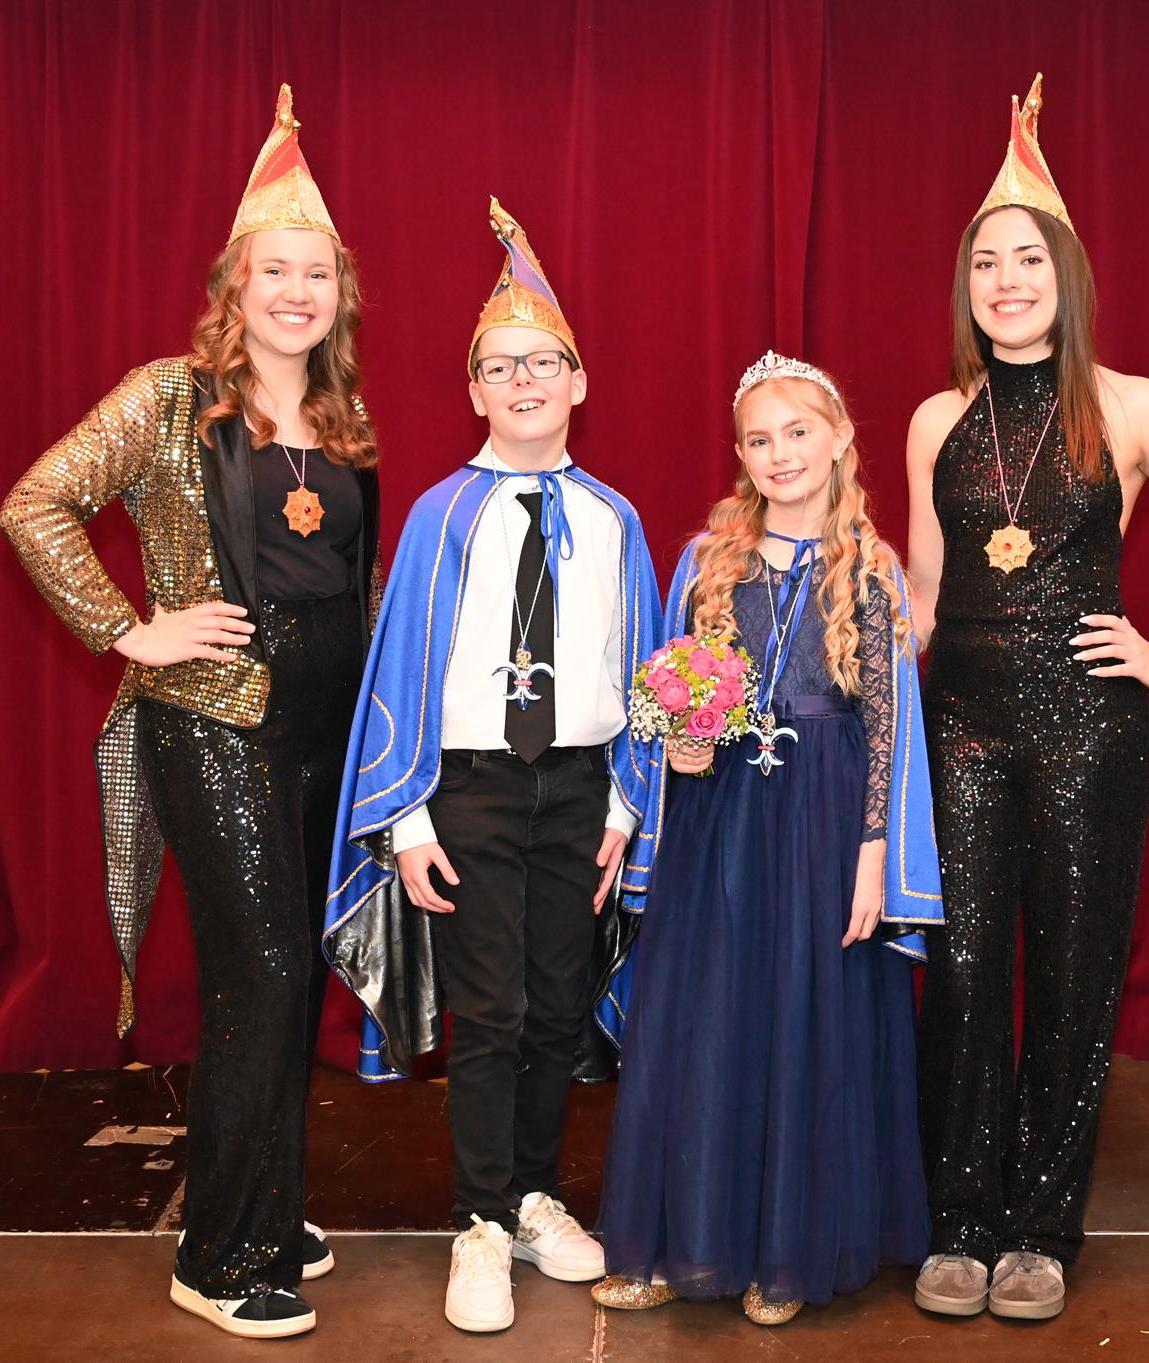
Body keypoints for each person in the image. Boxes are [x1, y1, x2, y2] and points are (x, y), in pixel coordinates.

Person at [0, 85, 380, 1340]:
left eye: (316, 274)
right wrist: (128, 627)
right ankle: (217, 1255)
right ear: (236, 283)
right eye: (275, 271)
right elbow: (35, 502)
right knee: (257, 974)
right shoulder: (170, 395)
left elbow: (353, 578)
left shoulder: (342, 419)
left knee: (291, 971)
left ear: (340, 294)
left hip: (322, 726)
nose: (296, 293)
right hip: (214, 722)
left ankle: (267, 1200)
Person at [903, 75, 1149, 1322]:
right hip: (956, 727)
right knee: (963, 972)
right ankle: (959, 1217)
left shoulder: (1130, 406)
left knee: (1070, 976)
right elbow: (921, 594)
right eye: (983, 264)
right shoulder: (933, 420)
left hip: (1087, 731)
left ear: (1064, 275)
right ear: (963, 288)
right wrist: (816, 659)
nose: (1004, 280)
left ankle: (1037, 1229)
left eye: (1025, 259)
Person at [320, 199, 663, 1334]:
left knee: (558, 1000)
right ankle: (477, 1218)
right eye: (499, 366)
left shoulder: (613, 520)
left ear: (578, 381)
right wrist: (410, 818)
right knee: (493, 1006)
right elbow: (404, 668)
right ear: (472, 391)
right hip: (469, 784)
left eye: (542, 363)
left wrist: (626, 802)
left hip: (578, 787)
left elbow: (638, 668)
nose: (522, 381)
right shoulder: (442, 514)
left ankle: (531, 1196)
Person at [589, 353, 942, 1325]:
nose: (780, 453)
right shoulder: (709, 561)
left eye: (797, 432)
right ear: (740, 454)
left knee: (800, 1016)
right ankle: (679, 1238)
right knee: (704, 1013)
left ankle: (783, 1251)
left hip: (823, 822)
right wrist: (679, 745)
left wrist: (874, 853)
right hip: (722, 820)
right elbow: (668, 700)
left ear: (839, 439)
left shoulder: (869, 570)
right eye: (759, 438)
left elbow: (886, 726)